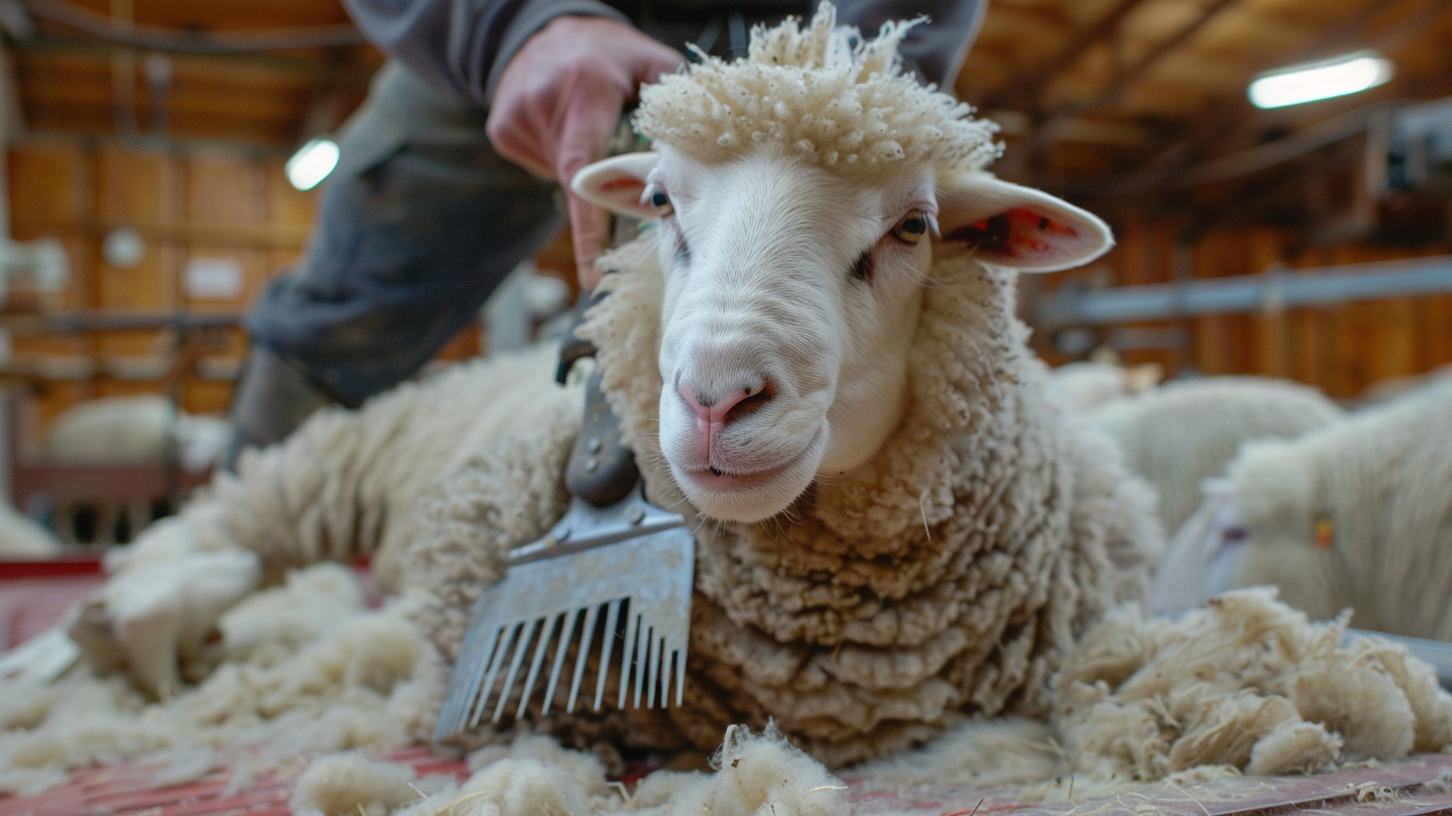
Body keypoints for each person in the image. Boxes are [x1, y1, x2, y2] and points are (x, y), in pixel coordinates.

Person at [224, 0, 988, 467]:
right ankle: (220, 553)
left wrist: (863, 85)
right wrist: (514, 25)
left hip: (813, 36)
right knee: (348, 303)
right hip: (519, 39)